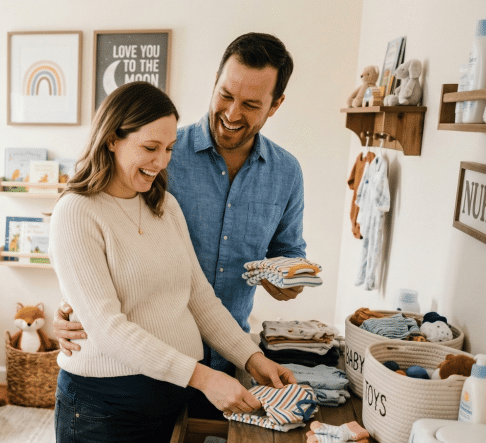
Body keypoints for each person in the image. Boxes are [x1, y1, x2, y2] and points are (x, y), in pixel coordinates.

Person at [48, 81, 295, 443]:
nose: (161, 162)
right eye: (149, 148)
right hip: (102, 413)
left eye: (167, 149)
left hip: (165, 404)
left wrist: (253, 358)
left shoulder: (164, 206)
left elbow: (199, 298)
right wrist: (203, 376)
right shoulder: (77, 213)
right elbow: (108, 328)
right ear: (113, 138)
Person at [55, 33, 307, 418]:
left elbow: (204, 294)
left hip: (224, 356)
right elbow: (105, 285)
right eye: (225, 95)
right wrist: (76, 305)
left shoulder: (284, 173)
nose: (232, 113)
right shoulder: (157, 158)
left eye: (251, 104)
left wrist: (256, 353)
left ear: (276, 105)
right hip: (136, 375)